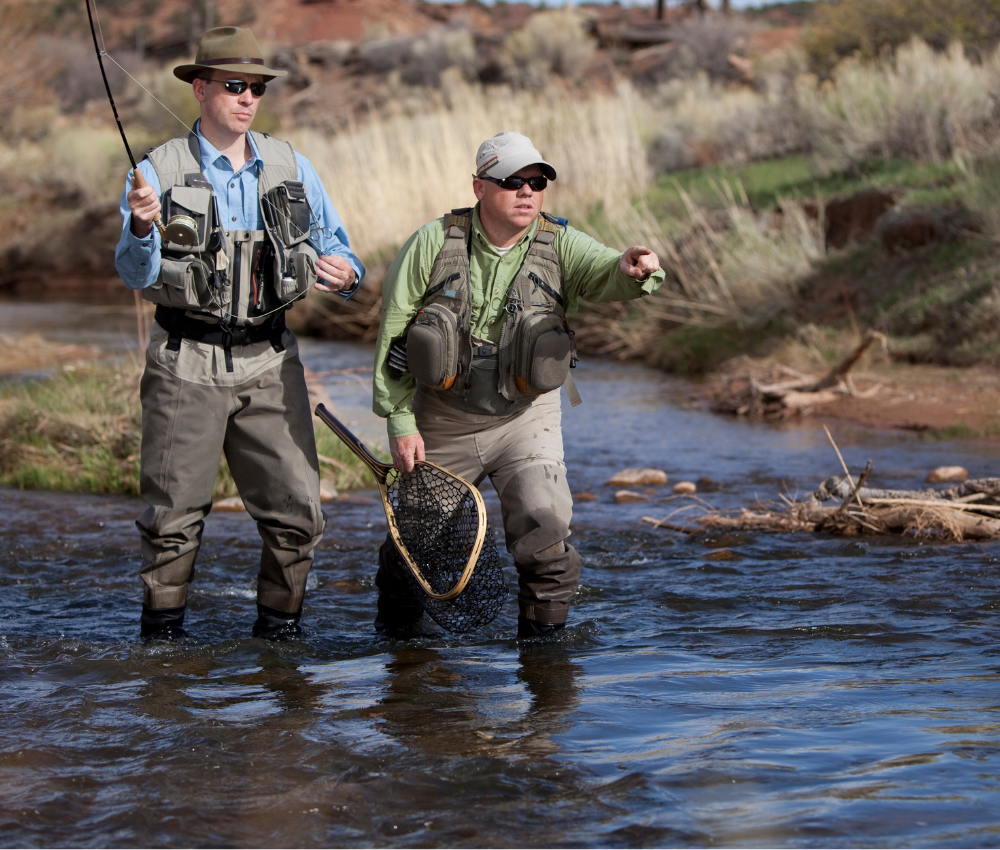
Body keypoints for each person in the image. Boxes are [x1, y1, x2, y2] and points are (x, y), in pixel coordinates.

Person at [115, 27, 364, 641]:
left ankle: (279, 648)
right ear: (200, 90)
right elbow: (132, 272)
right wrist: (142, 230)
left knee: (299, 518)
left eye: (255, 87)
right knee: (172, 524)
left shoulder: (290, 164)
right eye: (234, 86)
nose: (248, 98)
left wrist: (348, 274)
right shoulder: (156, 170)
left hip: (271, 361)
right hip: (184, 360)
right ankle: (163, 651)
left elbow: (339, 248)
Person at [372, 130, 664, 638]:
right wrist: (400, 420)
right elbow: (394, 332)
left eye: (537, 181)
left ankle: (545, 660)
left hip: (527, 416)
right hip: (442, 416)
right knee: (415, 547)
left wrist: (630, 269)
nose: (528, 191)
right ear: (479, 187)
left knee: (543, 527)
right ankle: (399, 657)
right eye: (513, 181)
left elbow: (604, 272)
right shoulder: (432, 242)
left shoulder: (560, 242)